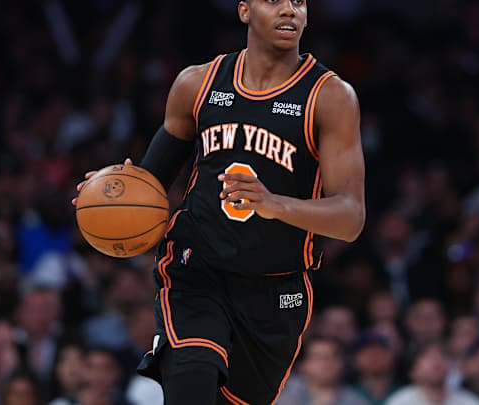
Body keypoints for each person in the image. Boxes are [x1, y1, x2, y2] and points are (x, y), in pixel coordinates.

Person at [72, 0, 365, 404]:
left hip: (277, 289)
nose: (289, 10)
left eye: (298, 1)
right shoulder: (198, 83)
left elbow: (351, 216)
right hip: (197, 269)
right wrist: (111, 192)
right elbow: (150, 182)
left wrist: (276, 204)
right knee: (192, 384)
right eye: (274, 0)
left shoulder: (329, 97)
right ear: (244, 10)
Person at [276, 335, 368, 405]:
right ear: (303, 364)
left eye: (334, 356)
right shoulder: (282, 396)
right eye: (319, 357)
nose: (327, 362)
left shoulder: (356, 400)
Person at [384, 342, 479, 405]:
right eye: (428, 357)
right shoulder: (399, 402)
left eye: (441, 355)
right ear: (413, 372)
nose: (436, 360)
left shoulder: (471, 402)